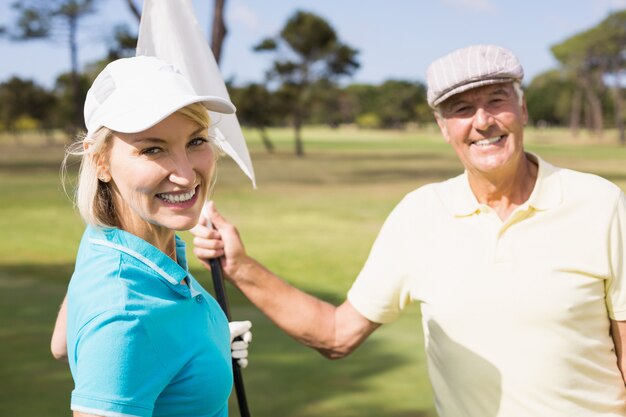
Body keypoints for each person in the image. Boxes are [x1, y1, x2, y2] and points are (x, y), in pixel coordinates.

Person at [192, 44, 626, 416]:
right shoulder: (420, 215)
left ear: (523, 107)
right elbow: (336, 335)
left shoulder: (599, 203)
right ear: (443, 127)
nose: (483, 121)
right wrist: (240, 266)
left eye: (497, 100)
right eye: (461, 109)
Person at [59, 55, 252, 417]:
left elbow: (62, 342)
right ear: (100, 161)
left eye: (196, 141)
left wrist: (206, 340)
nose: (185, 174)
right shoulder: (124, 315)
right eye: (152, 149)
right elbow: (123, 323)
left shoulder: (105, 237)